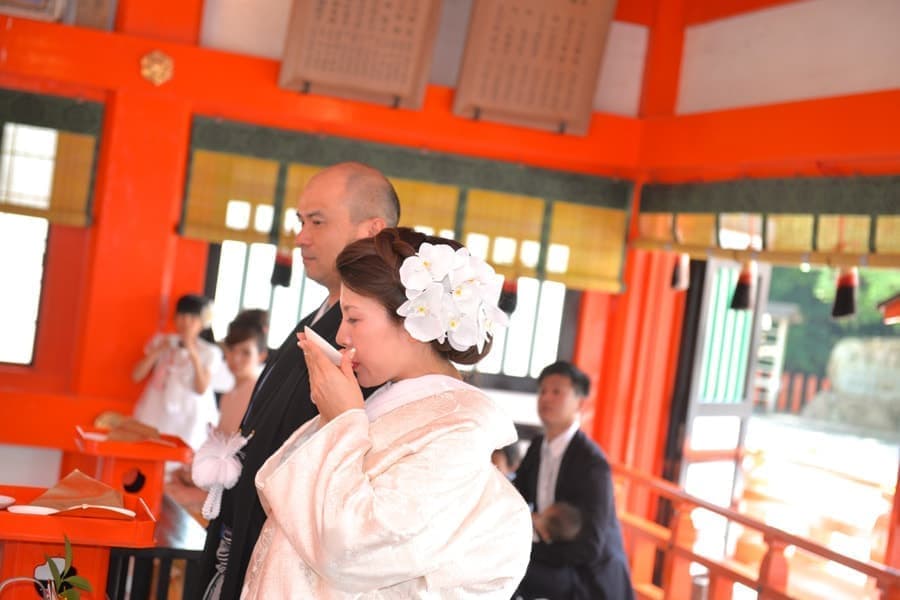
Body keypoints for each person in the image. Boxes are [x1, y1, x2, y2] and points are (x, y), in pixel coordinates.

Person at [241, 227, 532, 598]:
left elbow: (353, 549)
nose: (342, 337)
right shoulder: (388, 401)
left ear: (415, 322)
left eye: (354, 318)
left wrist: (343, 422)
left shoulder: (461, 430)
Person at [199, 162, 400, 600]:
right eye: (300, 221)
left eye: (318, 221)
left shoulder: (369, 344)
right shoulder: (317, 318)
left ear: (372, 230)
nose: (302, 236)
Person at [514, 361, 634, 600]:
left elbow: (589, 547)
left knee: (509, 571)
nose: (546, 397)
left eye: (557, 391)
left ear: (579, 402)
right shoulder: (538, 446)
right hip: (553, 558)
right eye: (543, 391)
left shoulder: (592, 462)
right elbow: (515, 496)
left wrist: (528, 551)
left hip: (589, 574)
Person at [132, 294, 222, 450]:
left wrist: (193, 354)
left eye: (192, 318)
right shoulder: (162, 341)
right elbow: (136, 376)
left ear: (202, 323)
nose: (186, 322)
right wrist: (158, 351)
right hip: (156, 411)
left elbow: (201, 388)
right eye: (182, 315)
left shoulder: (209, 352)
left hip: (188, 418)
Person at [217, 310, 269, 434]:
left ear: (261, 356)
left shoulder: (257, 394)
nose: (236, 358)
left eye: (246, 352)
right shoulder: (229, 393)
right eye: (231, 349)